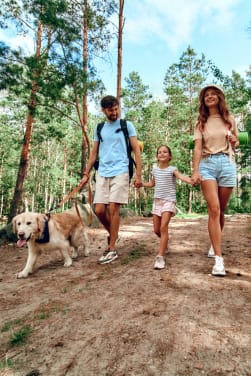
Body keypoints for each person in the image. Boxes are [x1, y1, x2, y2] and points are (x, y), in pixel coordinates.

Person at [80, 95, 142, 264]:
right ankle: (114, 234)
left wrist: (138, 174)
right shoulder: (99, 128)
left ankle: (112, 248)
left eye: (116, 109)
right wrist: (86, 174)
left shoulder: (126, 125)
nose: (114, 112)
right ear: (103, 110)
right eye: (110, 110)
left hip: (121, 170)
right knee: (99, 210)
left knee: (114, 207)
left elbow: (136, 150)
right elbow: (94, 153)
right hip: (103, 172)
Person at [191, 84, 239, 276]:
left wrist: (234, 140)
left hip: (226, 163)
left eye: (213, 94)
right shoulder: (201, 122)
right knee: (214, 209)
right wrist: (195, 171)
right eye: (206, 95)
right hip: (207, 164)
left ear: (219, 97)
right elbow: (197, 148)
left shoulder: (230, 119)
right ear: (203, 100)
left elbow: (234, 142)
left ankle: (214, 243)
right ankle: (219, 260)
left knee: (221, 211)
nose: (210, 97)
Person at [141, 145, 192, 270]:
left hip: (169, 201)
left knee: (163, 227)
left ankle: (160, 257)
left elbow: (181, 176)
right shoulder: (155, 170)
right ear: (157, 156)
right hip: (157, 202)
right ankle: (165, 243)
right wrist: (141, 183)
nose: (162, 154)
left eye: (165, 152)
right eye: (159, 152)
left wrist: (191, 180)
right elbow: (152, 183)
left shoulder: (172, 169)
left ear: (170, 156)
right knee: (156, 230)